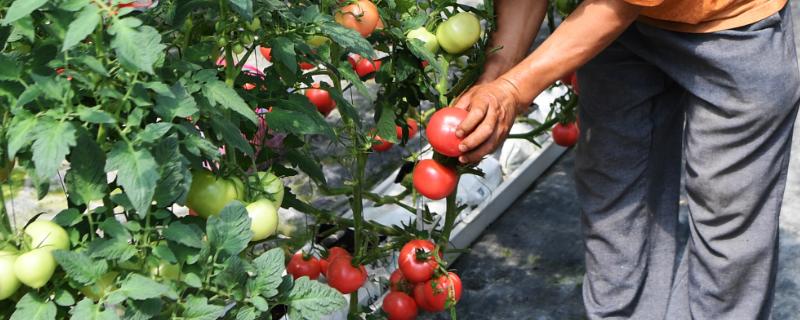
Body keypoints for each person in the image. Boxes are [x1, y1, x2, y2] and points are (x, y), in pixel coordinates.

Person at [454, 0, 799, 318]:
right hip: (614, 29)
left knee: (728, 223)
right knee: (613, 203)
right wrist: (498, 72)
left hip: (735, 26)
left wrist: (513, 91)